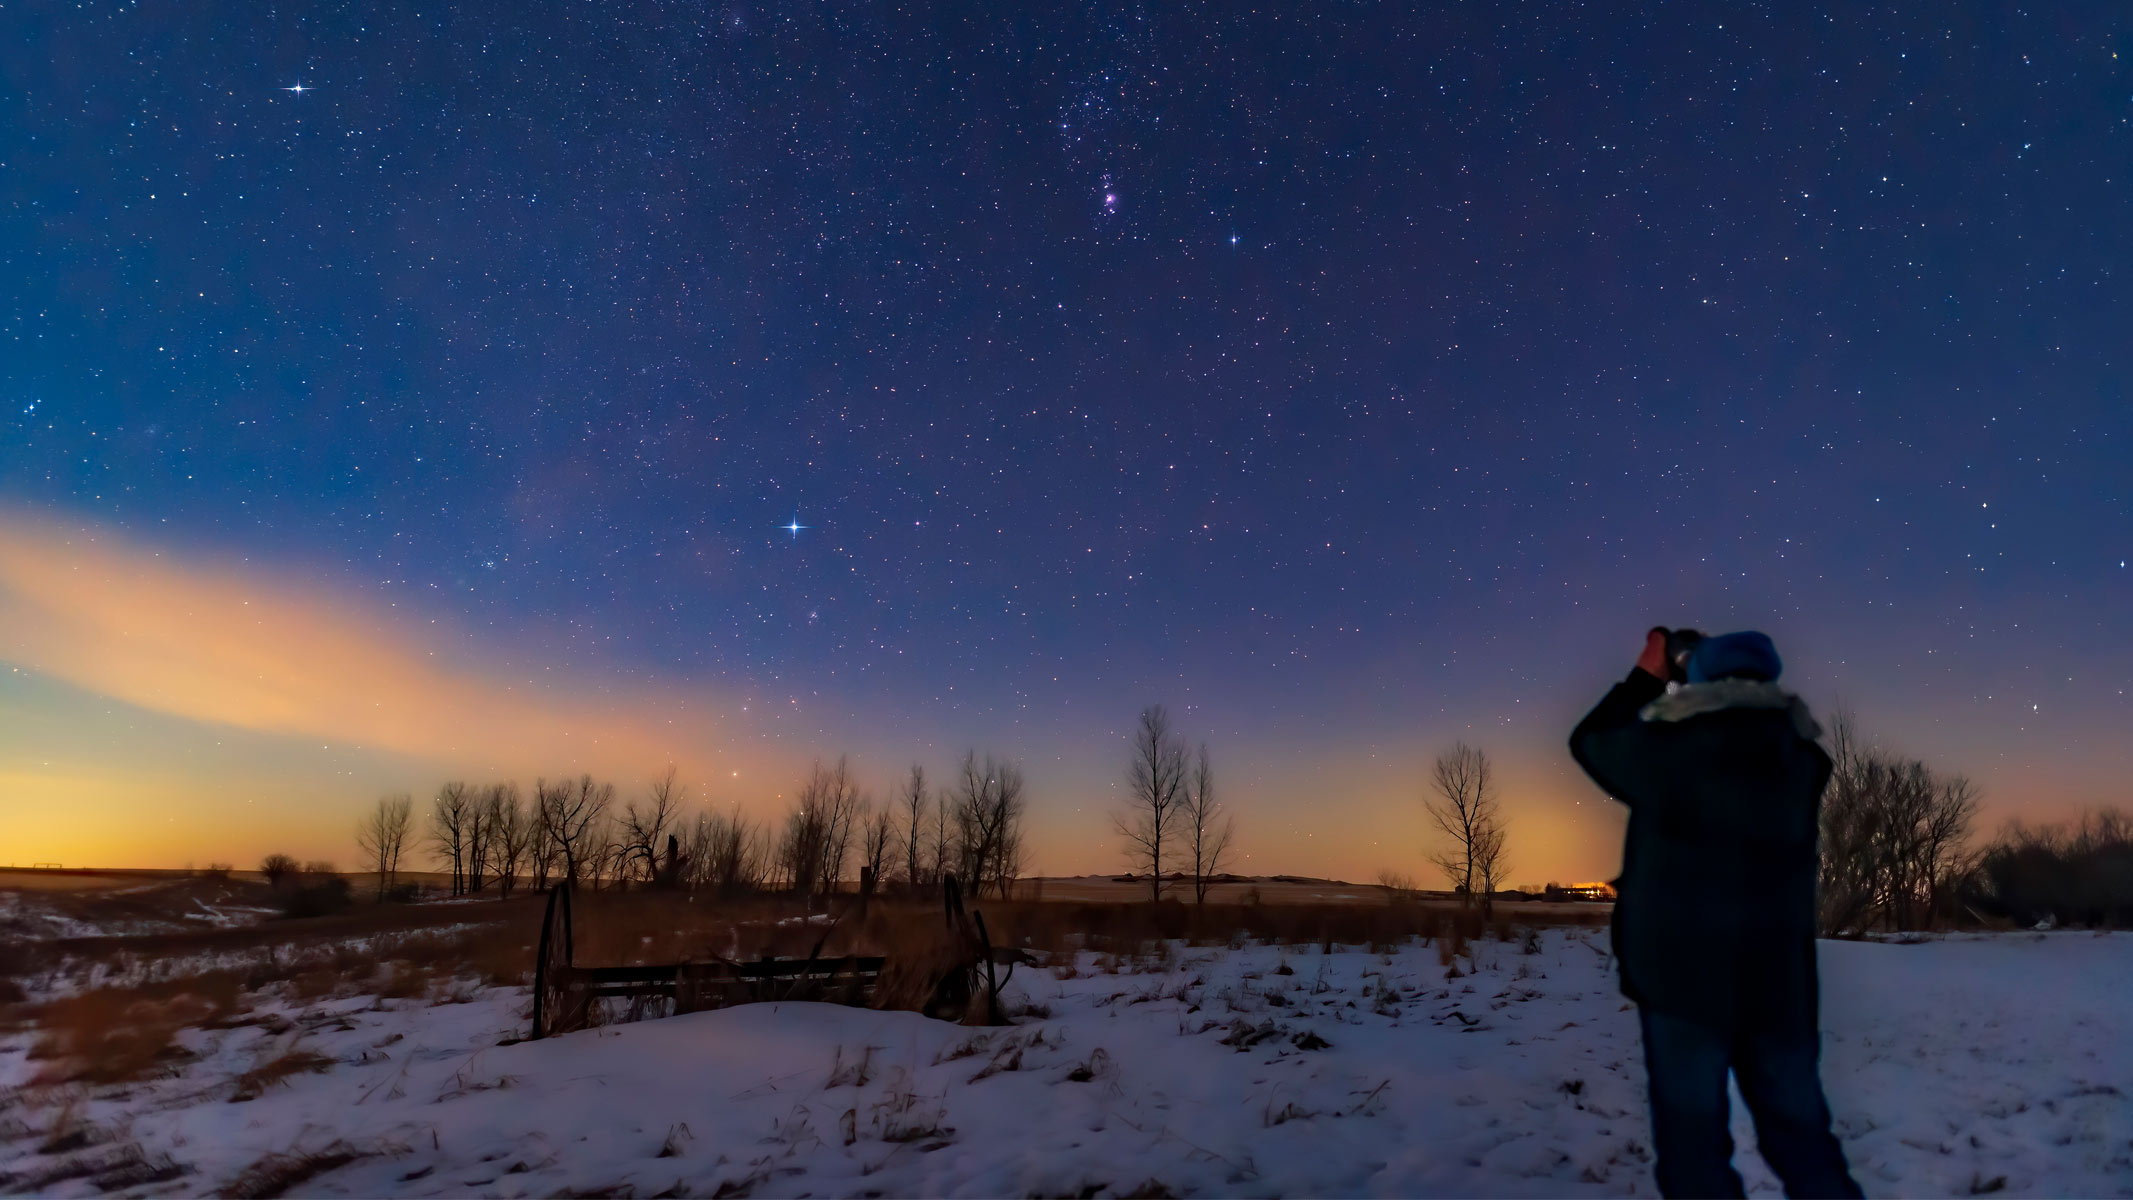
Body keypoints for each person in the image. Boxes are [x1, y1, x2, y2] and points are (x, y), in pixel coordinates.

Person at [1569, 627, 1863, 1199]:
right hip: (1780, 990)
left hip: (1682, 987)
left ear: (1698, 676)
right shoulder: (1802, 759)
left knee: (1694, 1152)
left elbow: (1592, 739)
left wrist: (1648, 674)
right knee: (1803, 1141)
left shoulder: (1670, 750)